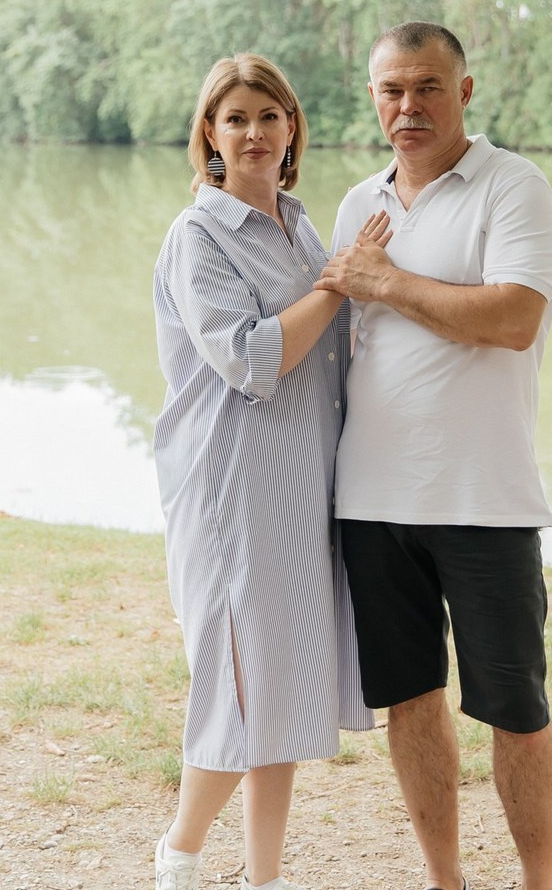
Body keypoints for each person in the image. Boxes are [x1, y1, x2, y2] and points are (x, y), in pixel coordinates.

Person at [316, 21, 552, 890]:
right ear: (373, 97)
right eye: (391, 89)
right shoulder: (357, 205)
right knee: (409, 704)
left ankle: (539, 883)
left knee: (516, 711)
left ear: (464, 92)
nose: (408, 106)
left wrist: (387, 282)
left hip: (483, 498)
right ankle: (444, 881)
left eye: (427, 87)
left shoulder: (513, 186)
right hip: (373, 499)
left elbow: (513, 319)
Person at [151, 53, 384, 890]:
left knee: (281, 690)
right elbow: (253, 359)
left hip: (303, 487)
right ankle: (180, 851)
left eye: (269, 116)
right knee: (241, 688)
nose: (254, 133)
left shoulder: (300, 223)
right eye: (236, 118)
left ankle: (265, 880)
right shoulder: (199, 236)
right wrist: (339, 280)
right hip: (231, 492)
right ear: (209, 135)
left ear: (292, 128)